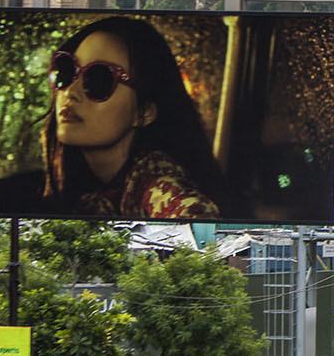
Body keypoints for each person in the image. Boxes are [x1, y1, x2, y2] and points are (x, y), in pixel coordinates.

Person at [42, 16, 221, 219]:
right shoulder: (92, 192)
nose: (70, 92)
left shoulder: (156, 185)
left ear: (144, 112)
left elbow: (196, 217)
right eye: (66, 71)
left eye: (99, 80)